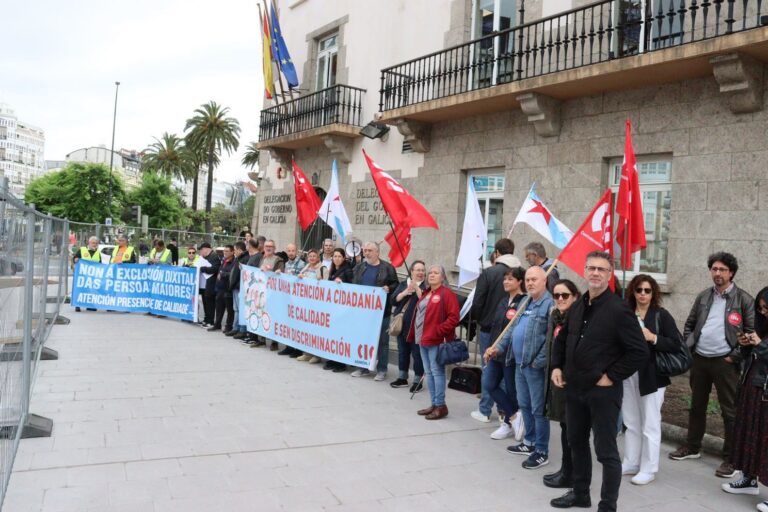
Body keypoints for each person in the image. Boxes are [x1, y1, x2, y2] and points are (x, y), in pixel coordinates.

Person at [550, 251, 649, 511]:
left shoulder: (619, 310)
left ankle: (608, 505)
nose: (595, 273)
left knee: (606, 452)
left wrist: (611, 376)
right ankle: (581, 494)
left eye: (601, 269)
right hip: (574, 389)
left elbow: (639, 351)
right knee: (576, 443)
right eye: (591, 268)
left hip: (602, 392)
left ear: (609, 274)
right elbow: (563, 338)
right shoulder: (579, 304)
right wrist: (557, 366)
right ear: (585, 270)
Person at [669, 252, 755, 479]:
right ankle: (692, 447)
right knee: (697, 405)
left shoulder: (743, 300)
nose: (717, 273)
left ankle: (731, 458)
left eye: (722, 270)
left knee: (730, 411)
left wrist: (734, 356)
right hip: (700, 360)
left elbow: (751, 332)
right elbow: (689, 324)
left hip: (725, 363)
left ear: (731, 273)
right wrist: (690, 348)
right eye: (714, 269)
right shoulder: (704, 296)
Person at [486, 266, 554, 469]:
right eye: (528, 279)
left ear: (544, 281)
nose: (530, 283)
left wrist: (537, 361)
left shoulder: (548, 305)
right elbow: (511, 329)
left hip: (534, 367)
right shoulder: (527, 302)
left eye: (535, 279)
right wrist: (497, 348)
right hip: (519, 364)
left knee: (538, 409)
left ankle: (541, 450)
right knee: (524, 406)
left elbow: (550, 340)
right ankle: (529, 442)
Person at [622, 274, 682, 485]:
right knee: (631, 421)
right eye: (639, 290)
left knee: (650, 423)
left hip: (653, 376)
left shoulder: (661, 315)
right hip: (629, 373)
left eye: (647, 290)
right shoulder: (627, 313)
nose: (643, 294)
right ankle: (631, 461)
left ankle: (648, 468)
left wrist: (653, 337)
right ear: (633, 292)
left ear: (653, 292)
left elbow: (676, 343)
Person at [720, 287, 768, 511]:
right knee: (750, 433)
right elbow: (752, 355)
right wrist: (746, 344)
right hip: (752, 386)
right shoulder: (761, 325)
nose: (764, 312)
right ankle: (749, 479)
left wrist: (759, 343)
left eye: (767, 308)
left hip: (765, 389)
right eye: (761, 308)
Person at [469, 238, 522, 423]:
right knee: (504, 373)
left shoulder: (490, 272)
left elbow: (478, 301)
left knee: (490, 370)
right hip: (509, 331)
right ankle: (503, 411)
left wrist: (477, 319)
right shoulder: (518, 272)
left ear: (497, 253)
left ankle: (485, 410)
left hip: (490, 329)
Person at [407, 265, 459, 420]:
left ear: (442, 277)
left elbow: (453, 318)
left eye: (436, 273)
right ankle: (434, 404)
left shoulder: (447, 294)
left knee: (437, 372)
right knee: (428, 372)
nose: (431, 275)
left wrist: (438, 330)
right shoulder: (426, 292)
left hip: (436, 340)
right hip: (423, 339)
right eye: (430, 273)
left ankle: (441, 405)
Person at [542, 279, 581, 489]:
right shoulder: (557, 317)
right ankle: (566, 470)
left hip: (572, 382)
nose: (560, 299)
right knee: (565, 428)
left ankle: (572, 474)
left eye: (565, 295)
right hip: (558, 378)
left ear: (575, 296)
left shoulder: (575, 320)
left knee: (572, 431)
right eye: (556, 295)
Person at [481, 267, 526, 441]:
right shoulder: (502, 300)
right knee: (489, 384)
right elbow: (496, 328)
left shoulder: (524, 302)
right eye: (505, 279)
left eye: (510, 279)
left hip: (510, 355)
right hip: (495, 352)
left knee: (511, 390)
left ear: (519, 281)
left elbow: (515, 330)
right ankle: (514, 416)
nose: (506, 282)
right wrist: (491, 347)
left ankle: (507, 423)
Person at [351, 242, 398, 381]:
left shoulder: (388, 268)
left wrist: (389, 288)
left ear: (377, 252)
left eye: (370, 250)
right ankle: (363, 367)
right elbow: (353, 284)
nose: (366, 253)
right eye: (365, 250)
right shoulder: (359, 267)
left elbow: (395, 283)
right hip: (363, 312)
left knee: (382, 342)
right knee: (363, 339)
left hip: (381, 312)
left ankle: (382, 369)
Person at [389, 261, 427, 392]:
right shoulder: (404, 284)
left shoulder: (427, 287)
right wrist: (405, 292)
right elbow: (393, 300)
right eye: (418, 270)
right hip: (402, 325)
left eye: (423, 270)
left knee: (417, 354)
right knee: (403, 352)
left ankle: (417, 380)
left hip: (418, 327)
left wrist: (417, 290)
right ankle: (402, 377)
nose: (421, 273)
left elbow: (426, 303)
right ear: (411, 271)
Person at [293, 249, 328, 360]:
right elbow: (298, 279)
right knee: (306, 329)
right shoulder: (306, 267)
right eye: (310, 256)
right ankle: (307, 353)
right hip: (306, 303)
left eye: (314, 256)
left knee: (316, 330)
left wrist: (320, 280)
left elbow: (327, 286)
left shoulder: (323, 268)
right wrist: (299, 277)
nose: (312, 258)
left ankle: (317, 355)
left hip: (317, 304)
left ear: (318, 257)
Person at [322, 248, 354, 372]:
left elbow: (352, 286)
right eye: (335, 256)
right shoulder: (332, 269)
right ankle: (332, 359)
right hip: (333, 308)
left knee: (341, 336)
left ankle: (341, 363)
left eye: (339, 256)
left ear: (344, 257)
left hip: (343, 310)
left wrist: (343, 283)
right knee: (332, 335)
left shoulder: (348, 270)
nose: (336, 258)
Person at [209, 245, 235, 333]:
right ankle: (217, 324)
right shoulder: (223, 260)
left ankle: (228, 326)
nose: (225, 253)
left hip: (227, 288)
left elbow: (232, 274)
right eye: (224, 251)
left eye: (227, 251)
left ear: (232, 252)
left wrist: (223, 274)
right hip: (220, 288)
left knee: (229, 309)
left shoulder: (234, 262)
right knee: (219, 308)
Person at [72, 236, 101, 312]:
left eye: (96, 243)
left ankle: (90, 305)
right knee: (80, 289)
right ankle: (77, 305)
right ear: (89, 243)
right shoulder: (82, 250)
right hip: (82, 274)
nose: (94, 244)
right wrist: (76, 259)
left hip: (92, 275)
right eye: (93, 243)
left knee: (91, 290)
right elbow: (75, 258)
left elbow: (100, 264)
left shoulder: (98, 253)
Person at [228, 241, 249, 338]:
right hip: (235, 287)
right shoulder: (238, 258)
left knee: (240, 309)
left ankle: (241, 329)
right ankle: (235, 328)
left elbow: (239, 274)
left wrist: (233, 284)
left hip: (239, 287)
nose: (234, 252)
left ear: (240, 250)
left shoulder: (244, 259)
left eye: (235, 250)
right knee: (236, 309)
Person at [198, 242, 220, 328]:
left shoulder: (214, 256)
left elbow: (215, 268)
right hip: (205, 284)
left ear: (206, 249)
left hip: (211, 283)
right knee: (205, 301)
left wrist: (203, 269)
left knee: (210, 302)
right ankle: (206, 319)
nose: (201, 252)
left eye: (202, 250)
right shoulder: (206, 257)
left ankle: (210, 321)